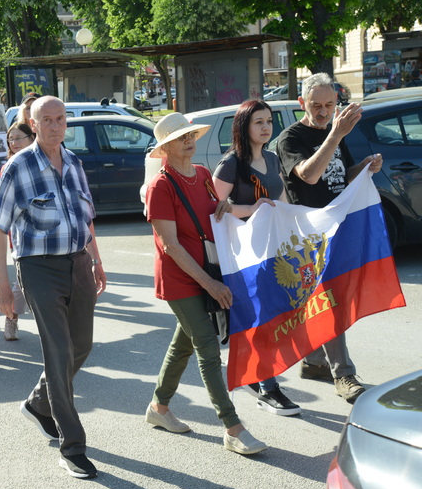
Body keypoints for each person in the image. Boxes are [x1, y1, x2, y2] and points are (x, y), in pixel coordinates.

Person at [0, 96, 106, 479]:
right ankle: (72, 447)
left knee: (81, 346)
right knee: (58, 352)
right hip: (38, 268)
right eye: (47, 120)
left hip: (78, 262)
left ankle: (38, 403)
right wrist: (3, 286)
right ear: (33, 124)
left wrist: (96, 260)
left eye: (60, 119)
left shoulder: (74, 163)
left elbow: (85, 218)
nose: (55, 126)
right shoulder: (18, 166)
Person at [144, 112, 267, 456]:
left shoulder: (200, 174)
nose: (189, 141)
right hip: (181, 279)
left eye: (190, 135)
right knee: (208, 349)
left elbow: (216, 211)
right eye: (180, 138)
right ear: (166, 147)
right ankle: (232, 427)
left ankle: (158, 408)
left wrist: (252, 208)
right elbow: (171, 246)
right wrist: (211, 285)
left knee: (182, 346)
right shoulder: (160, 186)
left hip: (208, 272)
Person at [275, 73, 382, 404]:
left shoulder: (334, 133)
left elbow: (340, 175)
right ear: (302, 103)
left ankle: (314, 361)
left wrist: (365, 166)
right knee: (330, 300)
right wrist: (336, 133)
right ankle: (343, 373)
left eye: (330, 105)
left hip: (337, 228)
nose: (323, 112)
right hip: (307, 235)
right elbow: (309, 175)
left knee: (324, 299)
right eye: (316, 105)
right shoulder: (290, 138)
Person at [212, 100, 300, 416]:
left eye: (269, 121)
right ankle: (268, 387)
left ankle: (257, 377)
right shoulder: (231, 163)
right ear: (243, 126)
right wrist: (251, 209)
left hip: (273, 251)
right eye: (258, 122)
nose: (265, 128)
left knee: (274, 316)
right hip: (244, 256)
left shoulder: (273, 158)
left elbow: (282, 202)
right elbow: (213, 208)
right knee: (262, 318)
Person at [0, 121, 37, 341]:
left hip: (48, 232)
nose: (14, 143)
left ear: (32, 138)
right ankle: (11, 318)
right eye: (10, 139)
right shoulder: (8, 167)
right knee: (23, 281)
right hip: (20, 233)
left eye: (18, 138)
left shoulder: (45, 161)